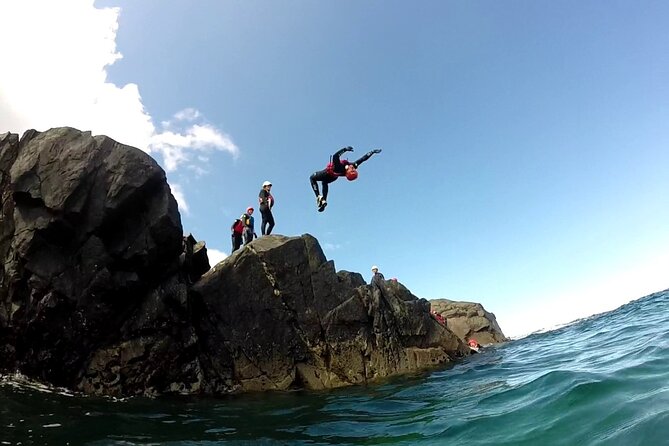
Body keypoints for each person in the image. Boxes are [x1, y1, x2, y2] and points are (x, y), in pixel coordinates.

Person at [309, 146, 382, 211]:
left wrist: (345, 149)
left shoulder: (339, 166)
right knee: (324, 182)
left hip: (327, 173)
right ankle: (324, 200)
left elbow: (335, 156)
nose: (352, 167)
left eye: (351, 169)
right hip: (333, 178)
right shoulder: (353, 165)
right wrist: (372, 152)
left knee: (312, 178)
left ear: (347, 171)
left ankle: (318, 196)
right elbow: (363, 159)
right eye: (353, 168)